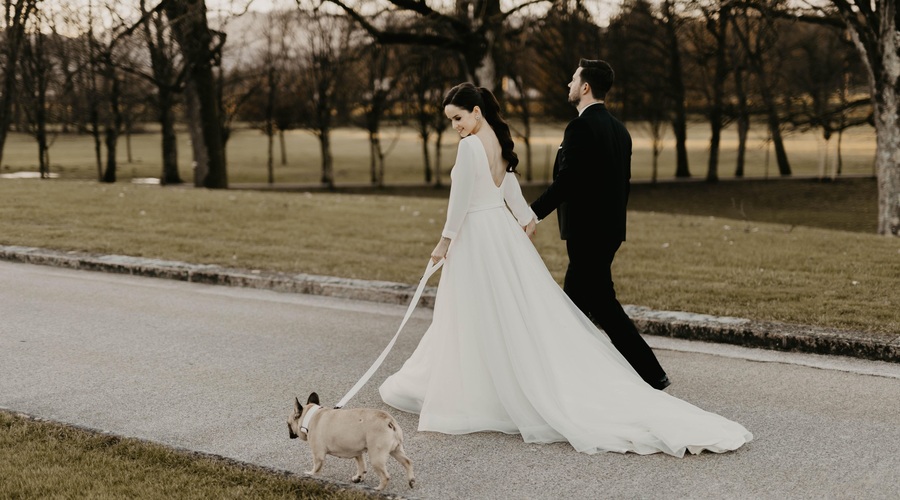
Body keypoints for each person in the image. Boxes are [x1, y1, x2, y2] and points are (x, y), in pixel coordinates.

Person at [379, 82, 752, 456]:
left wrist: (445, 241)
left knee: (472, 313)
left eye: (458, 118)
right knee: (500, 313)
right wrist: (526, 219)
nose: (455, 126)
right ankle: (490, 382)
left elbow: (459, 202)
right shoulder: (499, 143)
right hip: (501, 235)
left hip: (477, 236)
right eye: (451, 121)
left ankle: (480, 389)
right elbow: (511, 196)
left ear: (476, 112)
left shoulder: (470, 146)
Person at [530, 59, 670, 390]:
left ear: (586, 87)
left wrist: (531, 213)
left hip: (587, 233)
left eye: (573, 79)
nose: (568, 84)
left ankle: (644, 373)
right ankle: (640, 373)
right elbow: (624, 185)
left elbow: (568, 181)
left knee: (586, 305)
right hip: (608, 232)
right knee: (590, 303)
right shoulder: (620, 130)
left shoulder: (580, 128)